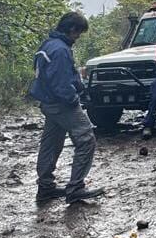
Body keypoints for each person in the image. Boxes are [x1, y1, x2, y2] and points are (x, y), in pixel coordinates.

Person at [28, 11, 104, 204]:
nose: (78, 37)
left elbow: (62, 75)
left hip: (47, 102)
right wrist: (73, 99)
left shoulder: (48, 44)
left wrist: (80, 88)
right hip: (61, 103)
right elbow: (61, 82)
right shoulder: (61, 50)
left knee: (51, 143)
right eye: (78, 32)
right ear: (72, 28)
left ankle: (45, 187)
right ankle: (76, 187)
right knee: (86, 138)